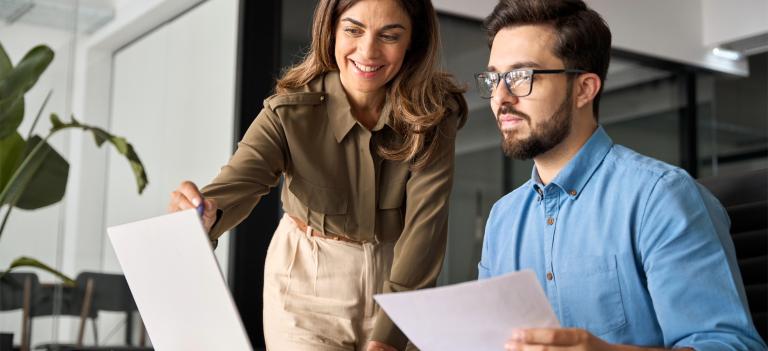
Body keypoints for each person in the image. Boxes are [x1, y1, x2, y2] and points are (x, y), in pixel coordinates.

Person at [167, 0, 466, 350]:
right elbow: (240, 181)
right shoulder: (288, 112)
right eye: (353, 30)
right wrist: (203, 211)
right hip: (306, 285)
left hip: (400, 280)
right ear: (331, 30)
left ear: (413, 41)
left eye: (389, 35)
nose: (368, 51)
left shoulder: (433, 117)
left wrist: (389, 335)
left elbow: (424, 233)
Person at [474, 1, 767, 350]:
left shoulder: (661, 197)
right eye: (494, 78)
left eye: (522, 77)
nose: (500, 97)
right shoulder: (502, 219)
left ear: (584, 89)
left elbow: (729, 345)